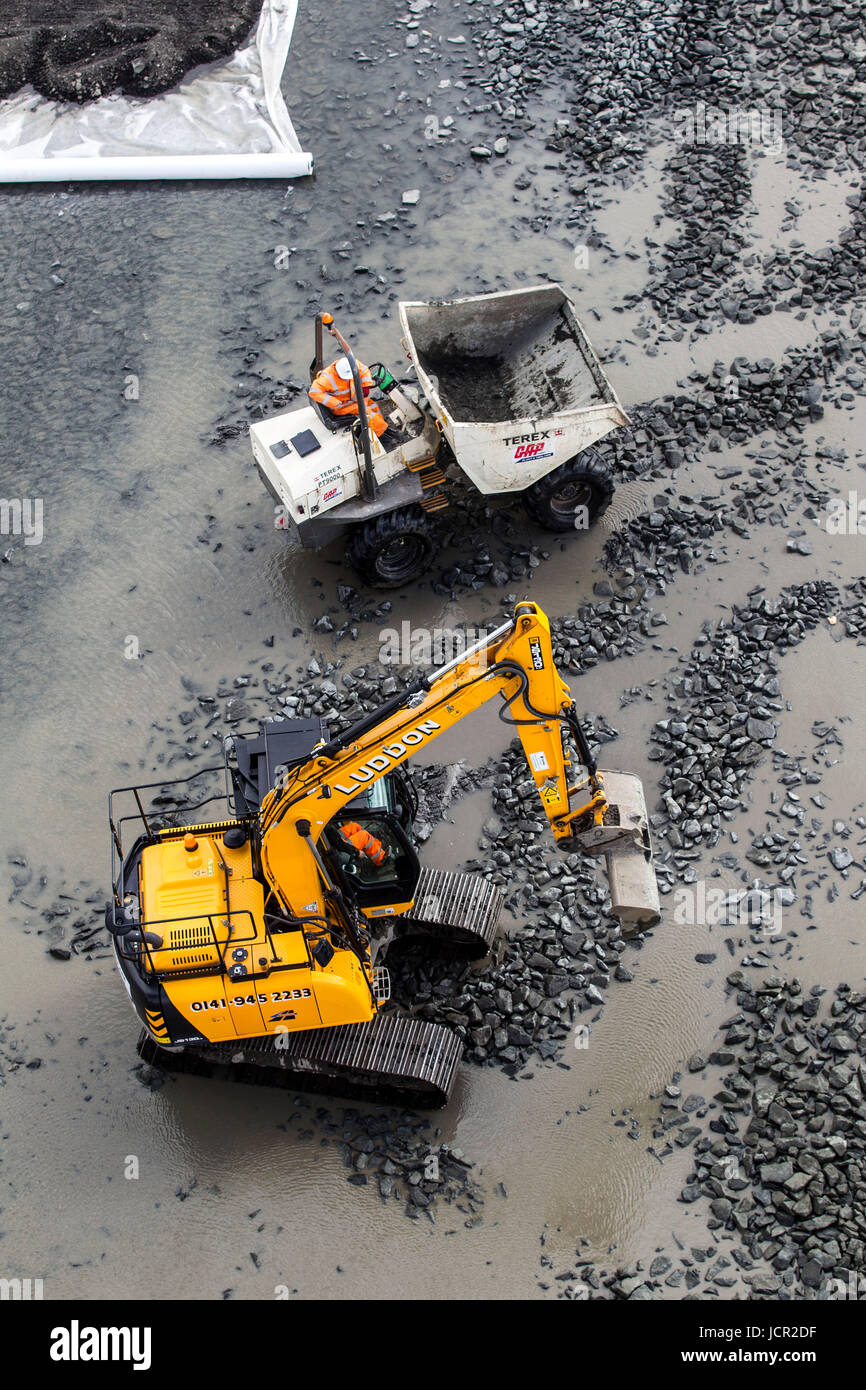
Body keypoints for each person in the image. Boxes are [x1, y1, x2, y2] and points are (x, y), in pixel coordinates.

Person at [309, 356, 388, 438]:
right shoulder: (327, 378)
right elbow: (313, 391)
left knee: (373, 405)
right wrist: (334, 402)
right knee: (368, 414)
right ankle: (383, 435)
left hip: (353, 399)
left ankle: (381, 426)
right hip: (341, 406)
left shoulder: (352, 364)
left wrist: (366, 385)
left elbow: (364, 370)